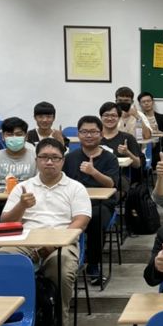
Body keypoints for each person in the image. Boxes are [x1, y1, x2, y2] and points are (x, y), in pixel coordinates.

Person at [0, 138, 91, 323]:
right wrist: (22, 205)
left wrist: (53, 244)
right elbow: (5, 222)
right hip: (25, 240)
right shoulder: (23, 187)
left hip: (62, 243)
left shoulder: (75, 188)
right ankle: (9, 317)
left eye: (55, 158)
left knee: (61, 268)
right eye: (44, 157)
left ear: (63, 161)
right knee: (1, 259)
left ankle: (57, 322)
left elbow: (81, 221)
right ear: (36, 160)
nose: (49, 162)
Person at [62, 114, 119, 284]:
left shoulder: (110, 158)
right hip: (72, 204)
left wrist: (94, 172)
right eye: (84, 132)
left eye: (93, 132)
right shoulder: (70, 158)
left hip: (101, 203)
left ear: (101, 134)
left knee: (95, 219)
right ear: (78, 135)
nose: (88, 135)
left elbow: (111, 184)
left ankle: (93, 264)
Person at [0, 117, 36, 187]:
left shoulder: (36, 157)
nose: (14, 137)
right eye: (10, 134)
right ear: (3, 136)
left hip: (27, 193)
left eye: (19, 134)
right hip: (0, 194)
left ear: (26, 136)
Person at [99, 101, 142, 193]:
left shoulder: (127, 138)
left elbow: (137, 164)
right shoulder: (95, 138)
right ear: (101, 117)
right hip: (96, 175)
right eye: (106, 115)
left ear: (119, 118)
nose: (110, 118)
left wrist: (127, 153)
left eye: (113, 115)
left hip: (119, 178)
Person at [137, 91, 163, 165]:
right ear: (140, 104)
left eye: (148, 101)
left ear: (153, 102)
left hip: (158, 150)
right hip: (142, 150)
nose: (146, 103)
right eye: (143, 102)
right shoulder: (138, 119)